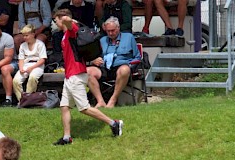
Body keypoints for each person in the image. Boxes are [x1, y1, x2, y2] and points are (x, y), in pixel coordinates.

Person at [52, 9, 123, 145]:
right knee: (64, 106)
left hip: (76, 75)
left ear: (62, 18)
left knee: (84, 108)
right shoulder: (65, 34)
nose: (55, 24)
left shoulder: (72, 30)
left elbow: (68, 22)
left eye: (56, 21)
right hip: (70, 76)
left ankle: (114, 123)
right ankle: (67, 138)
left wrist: (68, 19)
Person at [86, 16, 140, 108]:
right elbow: (93, 57)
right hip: (105, 68)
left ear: (118, 28)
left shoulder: (128, 37)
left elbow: (137, 57)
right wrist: (94, 61)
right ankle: (100, 101)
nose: (110, 33)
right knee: (87, 71)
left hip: (121, 67)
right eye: (108, 31)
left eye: (113, 30)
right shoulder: (102, 40)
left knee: (124, 70)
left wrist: (130, 65)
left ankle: (113, 100)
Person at [12, 24, 46, 102]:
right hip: (25, 65)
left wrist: (32, 68)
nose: (24, 38)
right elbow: (21, 59)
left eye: (26, 35)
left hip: (37, 65)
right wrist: (21, 68)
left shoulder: (40, 44)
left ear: (33, 34)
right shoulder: (23, 46)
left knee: (33, 78)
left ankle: (29, 99)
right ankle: (21, 100)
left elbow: (42, 60)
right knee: (16, 81)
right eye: (23, 36)